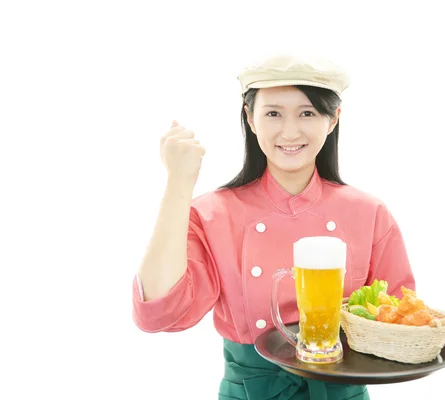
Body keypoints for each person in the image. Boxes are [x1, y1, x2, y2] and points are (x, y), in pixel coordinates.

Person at [132, 53, 416, 400]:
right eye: (273, 113)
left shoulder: (369, 213)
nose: (290, 131)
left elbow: (400, 322)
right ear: (250, 118)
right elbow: (157, 313)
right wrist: (179, 182)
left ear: (333, 118)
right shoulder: (212, 214)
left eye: (308, 113)